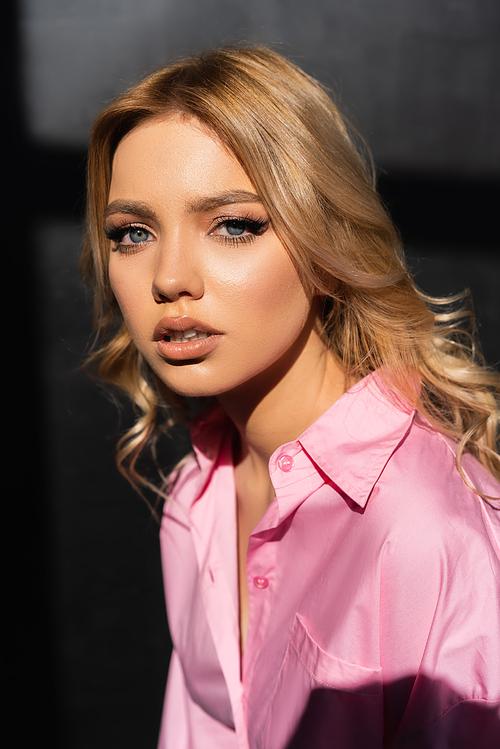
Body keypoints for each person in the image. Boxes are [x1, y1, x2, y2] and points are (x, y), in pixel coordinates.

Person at [80, 45, 500, 748]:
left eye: (234, 225)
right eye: (134, 233)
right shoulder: (197, 496)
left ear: (328, 251)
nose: (170, 277)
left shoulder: (432, 533)